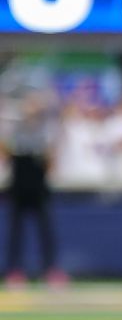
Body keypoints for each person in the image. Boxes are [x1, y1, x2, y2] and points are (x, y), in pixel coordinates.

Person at [2, 93, 67, 288]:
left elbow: (51, 159)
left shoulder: (46, 131)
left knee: (46, 232)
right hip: (18, 188)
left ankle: (51, 270)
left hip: (39, 189)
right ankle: (14, 271)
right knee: (15, 233)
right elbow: (5, 152)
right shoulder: (14, 131)